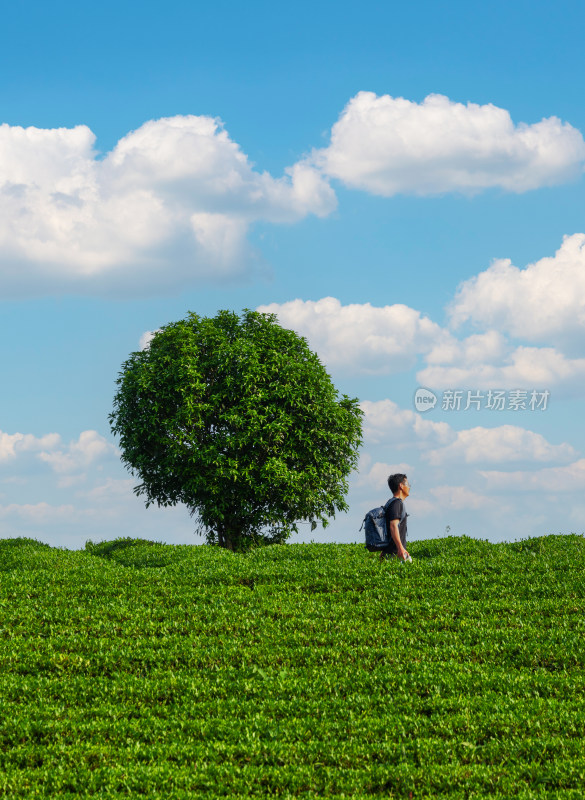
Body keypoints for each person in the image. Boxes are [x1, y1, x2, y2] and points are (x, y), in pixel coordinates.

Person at [380, 473, 411, 561]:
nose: (409, 487)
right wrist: (400, 548)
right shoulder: (397, 503)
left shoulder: (390, 503)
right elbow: (393, 526)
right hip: (395, 553)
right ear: (401, 486)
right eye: (407, 484)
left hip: (390, 552)